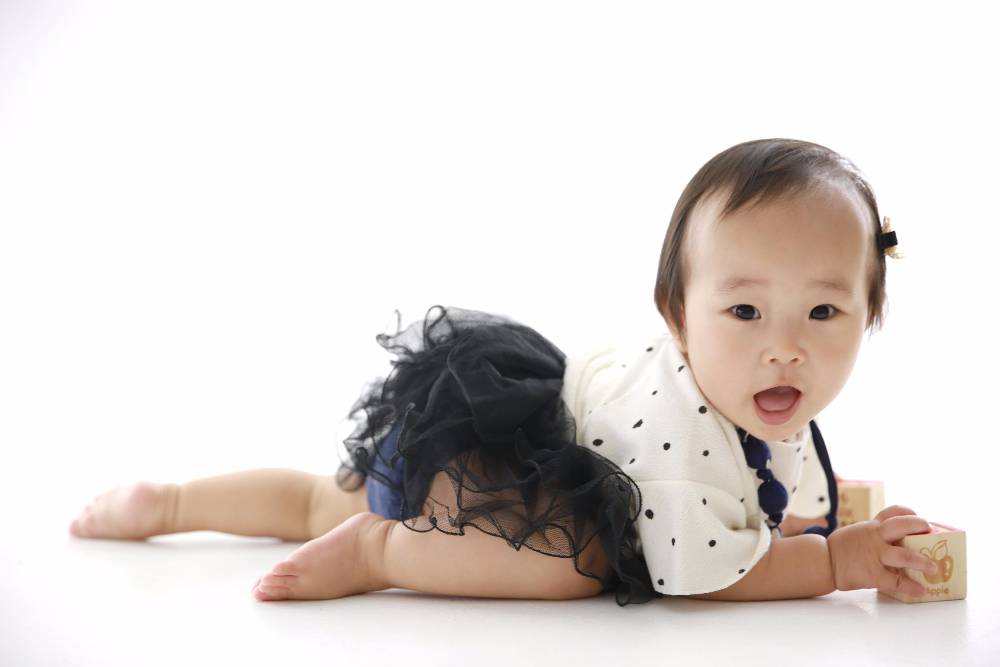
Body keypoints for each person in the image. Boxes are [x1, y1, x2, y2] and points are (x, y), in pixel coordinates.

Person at [68, 137, 940, 606]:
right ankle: (382, 551)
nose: (785, 347)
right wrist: (836, 560)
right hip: (494, 474)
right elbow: (708, 576)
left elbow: (767, 479)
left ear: (868, 315)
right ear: (676, 316)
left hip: (494, 420)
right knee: (582, 561)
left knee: (313, 497)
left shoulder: (749, 393)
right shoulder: (686, 447)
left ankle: (171, 503)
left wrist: (812, 512)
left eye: (823, 313)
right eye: (745, 312)